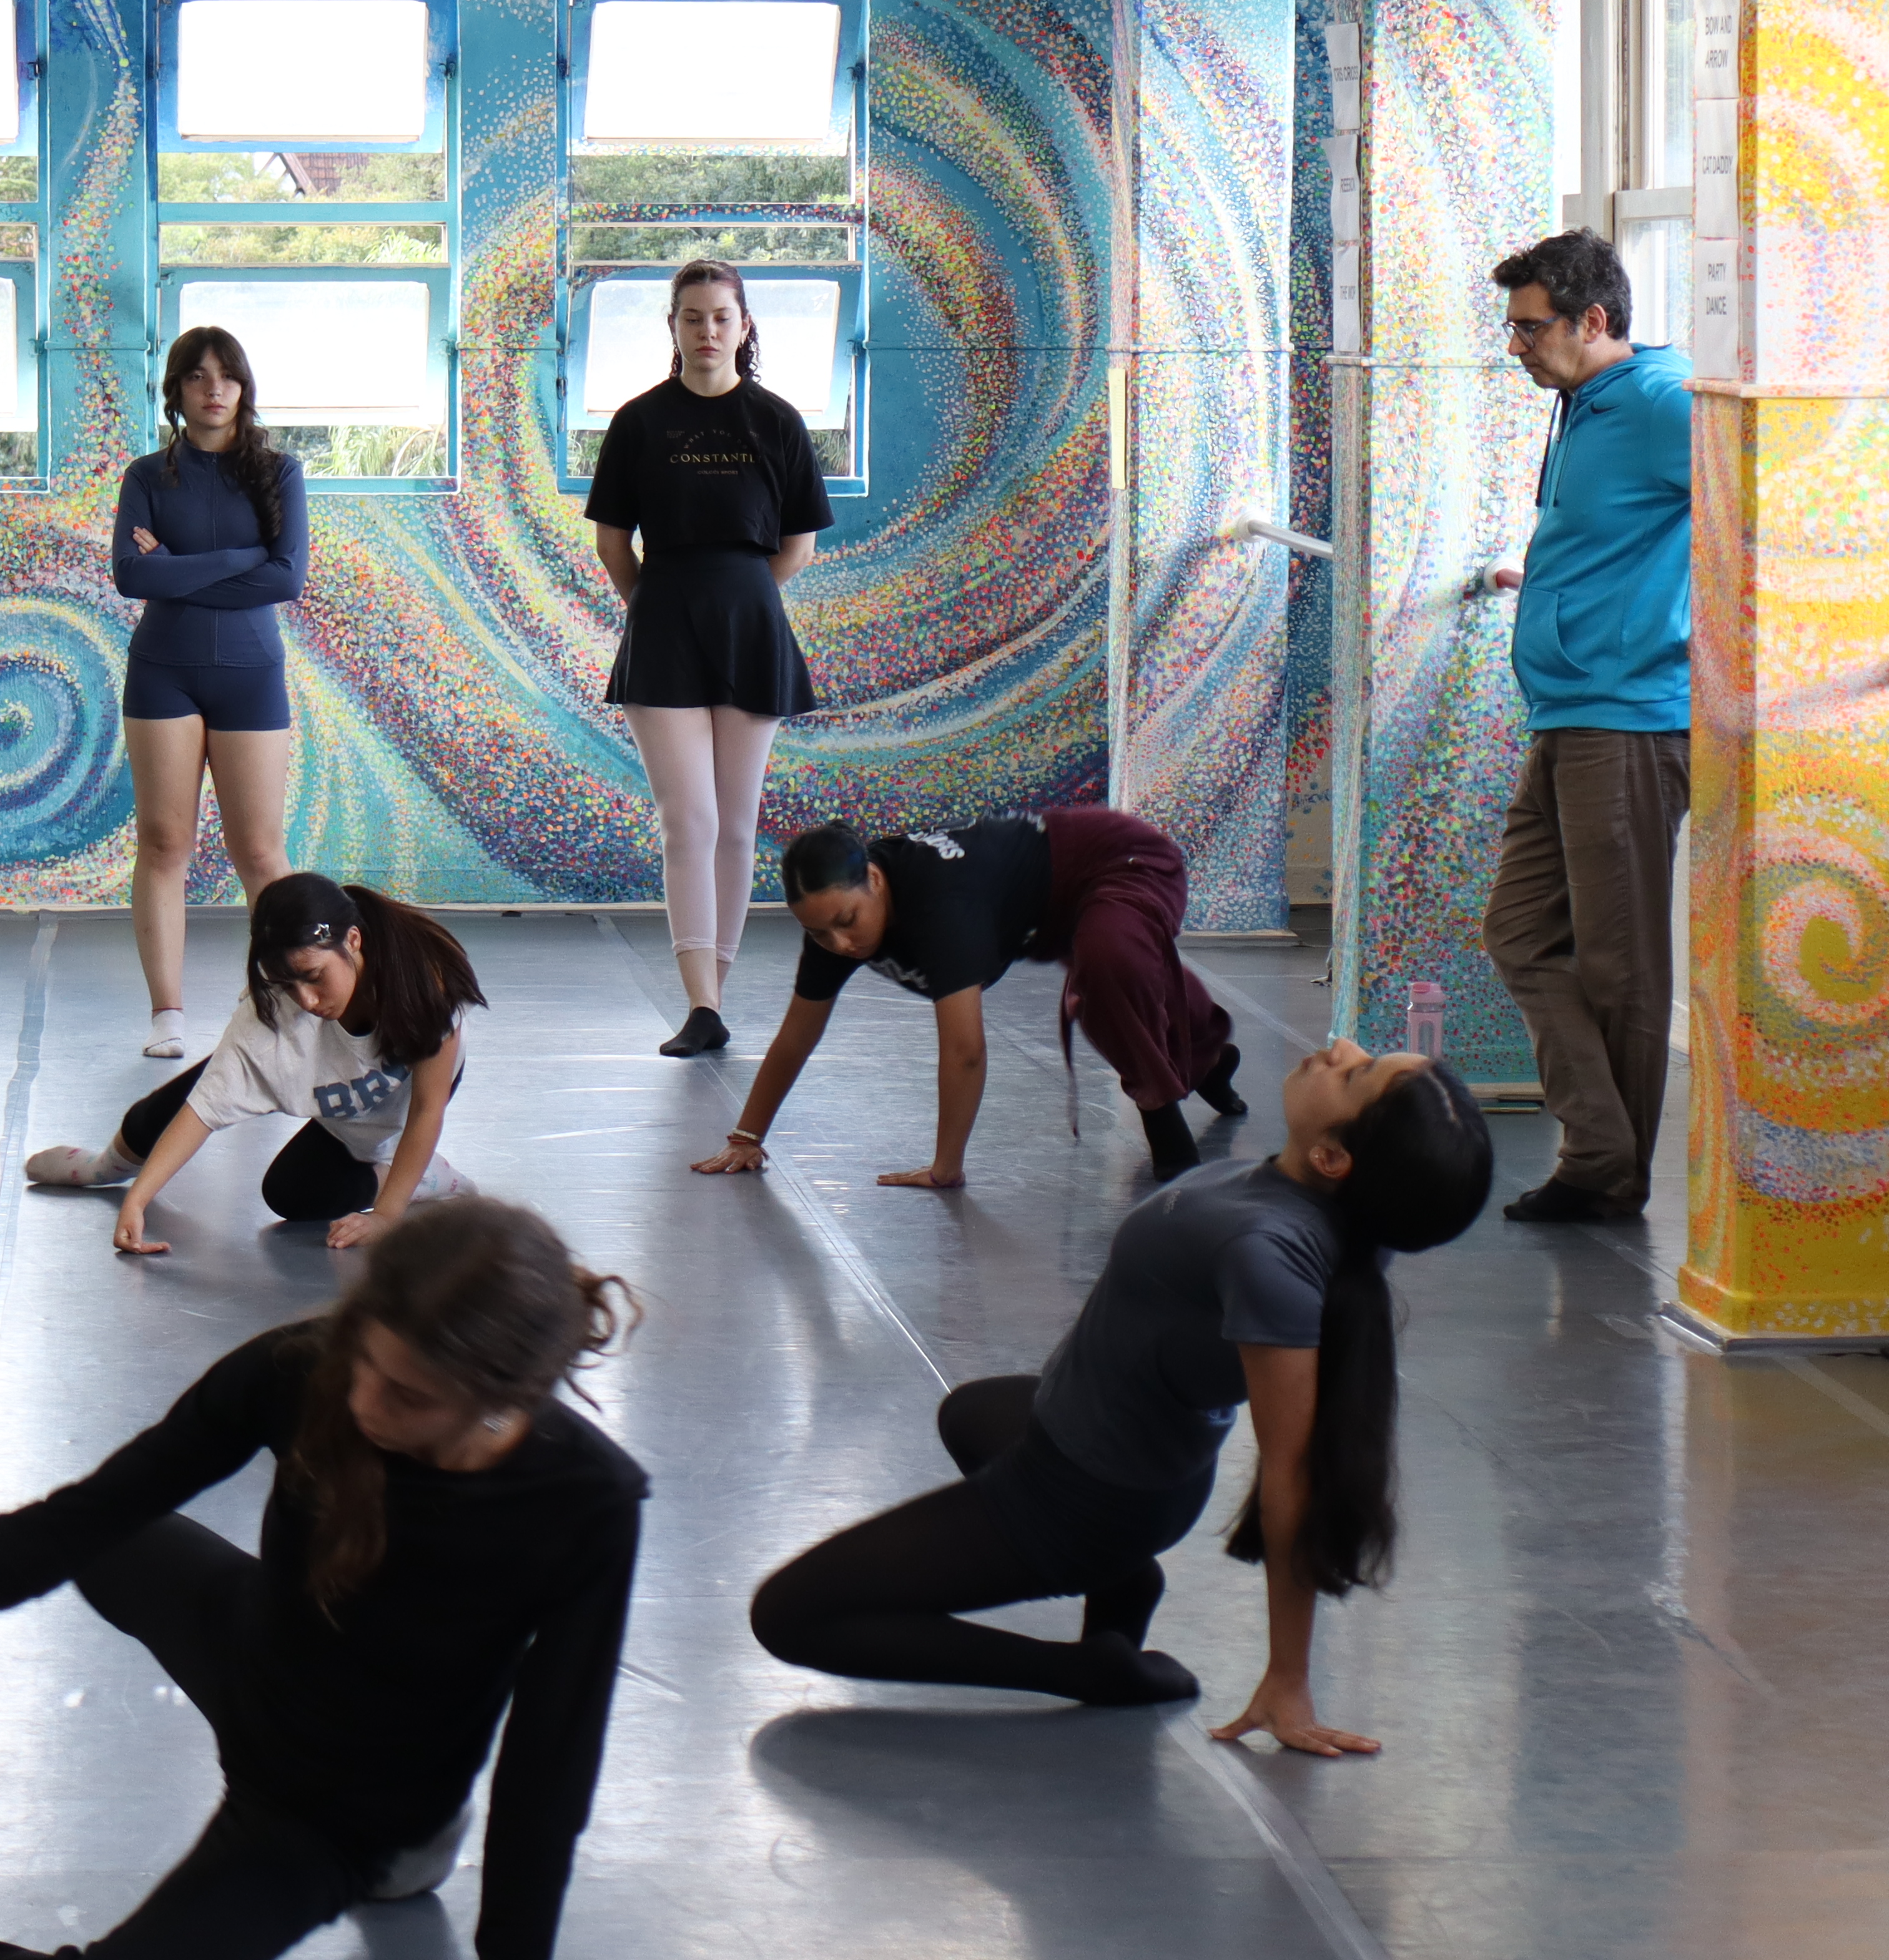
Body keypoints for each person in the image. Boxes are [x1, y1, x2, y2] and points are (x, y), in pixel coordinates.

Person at [0, 1199, 644, 1960]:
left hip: (330, 1810)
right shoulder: (303, 1370)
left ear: (500, 1399)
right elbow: (71, 1524)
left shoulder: (583, 1503)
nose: (364, 1402)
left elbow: (550, 1769)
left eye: (409, 1396)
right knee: (104, 1535)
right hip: (260, 1644)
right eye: (365, 1363)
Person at [747, 1042, 1490, 1754]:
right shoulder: (1308, 1196)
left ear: (1334, 1157)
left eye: (1357, 1074)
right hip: (1097, 1443)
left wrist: (1288, 1680)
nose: (1341, 1048)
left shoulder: (1269, 1256)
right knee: (969, 1412)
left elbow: (1292, 1477)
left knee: (789, 1615)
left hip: (1090, 1496)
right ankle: (1124, 1575)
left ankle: (1080, 1669)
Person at [1481, 230, 1692, 1224]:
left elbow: (1772, 507)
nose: (1515, 345)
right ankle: (1603, 1149)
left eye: (1530, 328)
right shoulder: (1583, 402)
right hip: (1567, 710)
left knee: (1619, 964)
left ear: (1593, 321)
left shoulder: (1659, 403)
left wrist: (1668, 627)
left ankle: (1605, 1171)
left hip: (1630, 718)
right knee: (1519, 932)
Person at [691, 812, 1246, 1189]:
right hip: (1039, 911)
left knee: (1109, 960)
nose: (839, 944)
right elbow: (796, 1037)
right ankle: (1210, 1058)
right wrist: (746, 1137)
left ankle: (1162, 1115)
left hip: (1119, 860)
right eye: (817, 933)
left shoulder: (940, 905)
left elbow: (965, 1051)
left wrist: (946, 1168)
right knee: (1111, 966)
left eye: (846, 921)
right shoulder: (836, 926)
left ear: (876, 880)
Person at [586, 259, 832, 1059]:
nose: (707, 331)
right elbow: (614, 543)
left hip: (750, 626)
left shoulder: (778, 420)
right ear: (674, 327)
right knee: (687, 819)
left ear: (744, 325)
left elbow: (798, 543)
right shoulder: (638, 422)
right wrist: (657, 607)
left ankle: (715, 995)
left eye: (722, 317)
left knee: (736, 822)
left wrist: (739, 598)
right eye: (692, 317)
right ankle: (699, 1003)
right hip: (663, 624)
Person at [27, 874, 481, 1253]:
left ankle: (423, 1177)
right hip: (328, 1075)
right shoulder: (277, 1007)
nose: (307, 1000)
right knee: (156, 1115)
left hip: (394, 1094)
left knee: (291, 1193)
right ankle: (104, 1167)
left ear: (353, 940)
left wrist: (386, 1215)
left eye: (315, 977)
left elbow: (427, 1110)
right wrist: (137, 1201)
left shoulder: (426, 986)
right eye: (288, 983)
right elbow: (202, 1111)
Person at [116, 327, 310, 1061]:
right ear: (176, 390)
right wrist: (243, 558)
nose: (214, 388)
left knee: (259, 850)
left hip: (251, 676)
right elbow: (132, 576)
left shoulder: (279, 473)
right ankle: (167, 1014)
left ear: (244, 386)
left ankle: (281, 1000)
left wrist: (180, 567)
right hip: (163, 672)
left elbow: (287, 578)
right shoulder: (145, 476)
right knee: (164, 843)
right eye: (197, 376)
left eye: (227, 375)